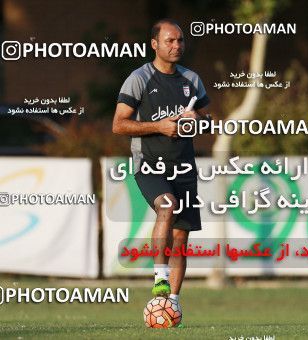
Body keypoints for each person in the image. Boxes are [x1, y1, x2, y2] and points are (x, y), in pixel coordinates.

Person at [112, 18, 211, 320]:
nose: (177, 45)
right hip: (149, 164)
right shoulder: (139, 78)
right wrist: (159, 126)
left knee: (181, 238)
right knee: (166, 207)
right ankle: (159, 278)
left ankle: (174, 304)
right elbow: (118, 125)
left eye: (180, 40)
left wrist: (197, 121)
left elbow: (209, 122)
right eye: (170, 40)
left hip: (183, 167)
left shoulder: (191, 80)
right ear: (154, 44)